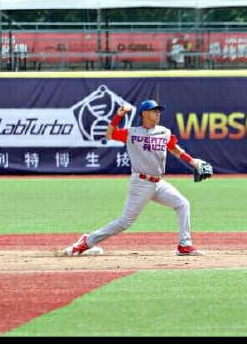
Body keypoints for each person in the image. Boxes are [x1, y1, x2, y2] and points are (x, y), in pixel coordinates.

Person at [63, 99, 213, 257]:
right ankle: (87, 241)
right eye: (155, 110)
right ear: (144, 114)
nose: (158, 113)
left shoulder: (164, 132)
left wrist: (193, 162)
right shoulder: (132, 133)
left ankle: (184, 245)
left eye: (159, 110)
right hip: (140, 183)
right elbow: (109, 134)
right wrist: (118, 116)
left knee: (182, 204)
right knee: (125, 222)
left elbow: (176, 150)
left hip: (158, 183)